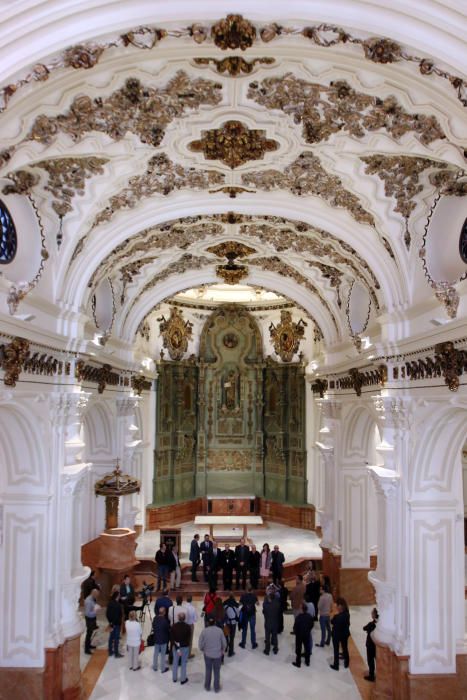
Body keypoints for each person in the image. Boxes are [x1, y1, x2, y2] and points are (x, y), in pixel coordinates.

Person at [198, 616, 227, 693]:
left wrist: (203, 650)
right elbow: (224, 643)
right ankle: (216, 688)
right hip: (217, 655)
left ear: (208, 623)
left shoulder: (204, 631)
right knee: (217, 671)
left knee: (208, 670)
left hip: (207, 654)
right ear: (215, 622)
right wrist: (223, 651)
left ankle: (207, 686)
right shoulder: (220, 631)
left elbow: (200, 644)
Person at [330, 597, 351, 671]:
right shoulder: (347, 613)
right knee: (345, 648)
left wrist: (334, 615)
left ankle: (336, 665)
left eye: (337, 606)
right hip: (345, 634)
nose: (336, 607)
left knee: (336, 650)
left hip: (337, 635)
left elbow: (332, 622)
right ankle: (347, 662)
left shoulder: (338, 616)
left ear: (340, 606)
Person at [170, 611, 191, 685]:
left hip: (176, 647)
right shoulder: (188, 627)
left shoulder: (173, 626)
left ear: (178, 618)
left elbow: (172, 639)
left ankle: (174, 678)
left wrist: (176, 646)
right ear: (184, 618)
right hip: (185, 647)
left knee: (175, 662)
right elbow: (188, 638)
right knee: (183, 663)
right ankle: (183, 679)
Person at [292, 603, 314, 668]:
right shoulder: (309, 616)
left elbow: (295, 627)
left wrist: (296, 632)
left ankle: (298, 663)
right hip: (307, 634)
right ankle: (307, 662)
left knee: (298, 649)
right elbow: (311, 625)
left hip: (299, 635)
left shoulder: (298, 617)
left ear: (301, 609)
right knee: (307, 648)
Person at [152, 607, 170, 674]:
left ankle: (155, 667)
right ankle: (163, 669)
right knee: (163, 654)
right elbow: (168, 630)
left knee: (155, 653)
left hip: (156, 639)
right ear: (164, 612)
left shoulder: (155, 619)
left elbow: (153, 626)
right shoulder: (165, 621)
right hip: (163, 640)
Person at [106, 590, 124, 658]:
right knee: (116, 639)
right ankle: (116, 653)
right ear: (117, 596)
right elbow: (118, 615)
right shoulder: (118, 605)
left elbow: (107, 614)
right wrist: (114, 622)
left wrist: (110, 622)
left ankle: (110, 652)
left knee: (111, 638)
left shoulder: (109, 603)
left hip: (111, 623)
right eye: (119, 596)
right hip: (116, 624)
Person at [363, 608, 378, 682]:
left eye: (372, 613)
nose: (371, 614)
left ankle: (371, 675)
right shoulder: (379, 624)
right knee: (377, 660)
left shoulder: (371, 624)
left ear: (374, 615)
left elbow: (364, 628)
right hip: (376, 646)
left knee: (370, 660)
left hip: (370, 645)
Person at [83, 588, 100, 654]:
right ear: (93, 594)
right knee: (89, 634)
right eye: (96, 595)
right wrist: (95, 611)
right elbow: (87, 613)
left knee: (91, 633)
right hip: (89, 619)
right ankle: (86, 649)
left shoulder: (92, 598)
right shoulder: (88, 601)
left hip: (92, 618)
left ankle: (89, 645)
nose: (97, 596)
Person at [223, 591, 239, 657]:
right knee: (232, 638)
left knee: (226, 636)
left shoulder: (225, 603)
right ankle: (231, 652)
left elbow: (223, 612)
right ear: (233, 596)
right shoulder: (236, 604)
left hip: (227, 623)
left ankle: (226, 648)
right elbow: (237, 614)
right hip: (233, 624)